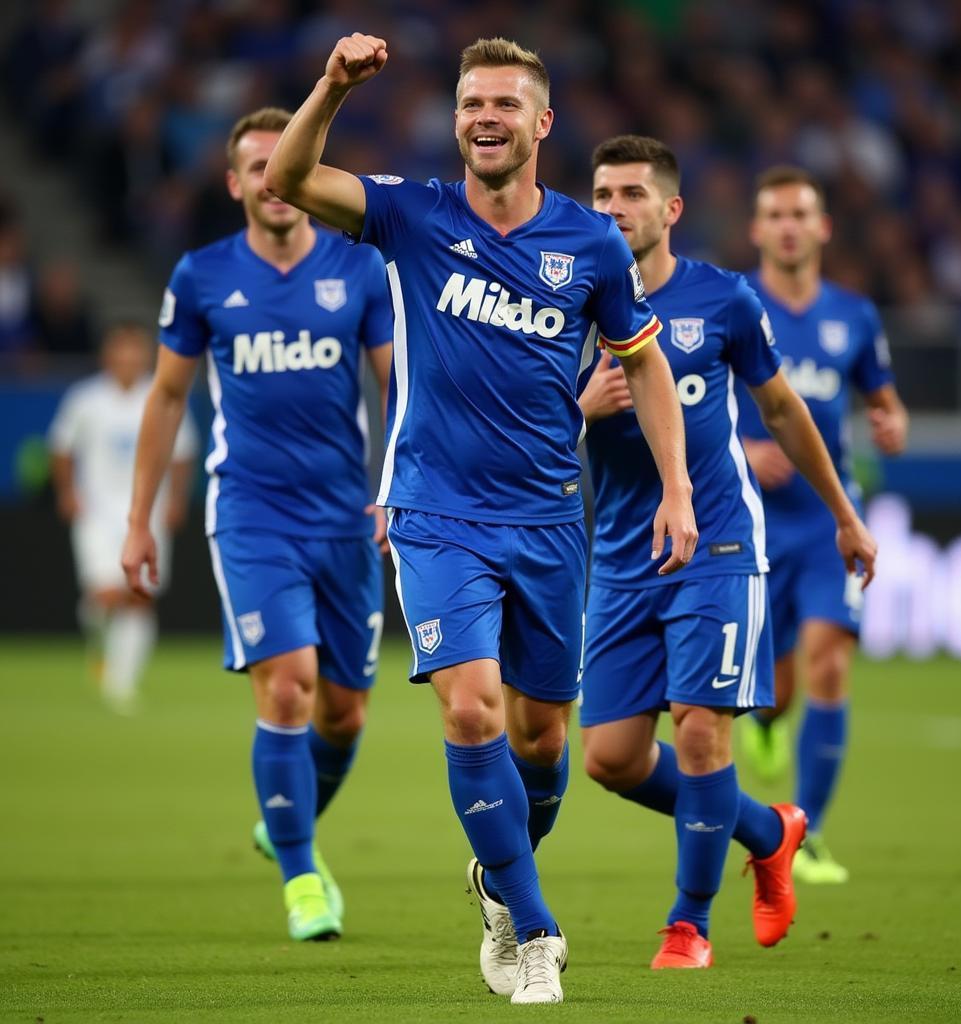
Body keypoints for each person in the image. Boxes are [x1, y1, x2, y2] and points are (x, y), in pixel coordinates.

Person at [263, 35, 698, 1004]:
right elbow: (289, 177)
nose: (485, 117)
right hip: (435, 510)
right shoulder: (412, 214)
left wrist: (675, 485)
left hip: (548, 518)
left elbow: (644, 362)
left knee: (544, 741)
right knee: (471, 707)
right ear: (455, 119)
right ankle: (535, 929)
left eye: (505, 103)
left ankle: (500, 879)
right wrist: (334, 85)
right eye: (470, 103)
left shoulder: (590, 242)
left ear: (542, 123)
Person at [577, 136, 878, 969]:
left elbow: (784, 412)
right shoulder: (565, 302)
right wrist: (584, 409)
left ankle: (689, 922)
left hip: (718, 543)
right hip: (622, 553)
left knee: (703, 731)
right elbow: (531, 423)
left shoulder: (723, 300)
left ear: (670, 211)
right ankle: (767, 827)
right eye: (601, 193)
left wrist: (845, 516)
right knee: (609, 758)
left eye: (631, 194)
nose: (612, 208)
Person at [120, 107, 394, 943]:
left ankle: (285, 816)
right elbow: (167, 396)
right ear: (236, 183)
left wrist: (394, 485)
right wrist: (137, 522)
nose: (271, 178)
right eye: (254, 165)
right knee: (287, 685)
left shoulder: (360, 272)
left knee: (344, 713)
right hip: (251, 513)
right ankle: (302, 874)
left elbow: (399, 387)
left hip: (347, 520)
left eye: (285, 162)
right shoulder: (202, 277)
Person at [738, 165, 908, 884]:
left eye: (799, 213)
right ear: (756, 230)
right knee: (775, 689)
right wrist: (743, 448)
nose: (787, 225)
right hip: (744, 518)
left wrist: (891, 421)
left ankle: (804, 835)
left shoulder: (854, 316)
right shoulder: (733, 304)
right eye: (774, 214)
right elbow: (685, 401)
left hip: (826, 520)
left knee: (830, 662)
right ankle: (768, 724)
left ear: (821, 227)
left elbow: (885, 398)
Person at [50, 321, 197, 713]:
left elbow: (183, 453)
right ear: (108, 355)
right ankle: (98, 640)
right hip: (98, 512)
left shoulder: (161, 394)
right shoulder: (85, 400)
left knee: (139, 596)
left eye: (135, 350)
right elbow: (61, 447)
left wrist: (176, 498)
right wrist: (67, 492)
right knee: (105, 595)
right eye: (121, 350)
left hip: (145, 512)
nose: (128, 358)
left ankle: (120, 683)